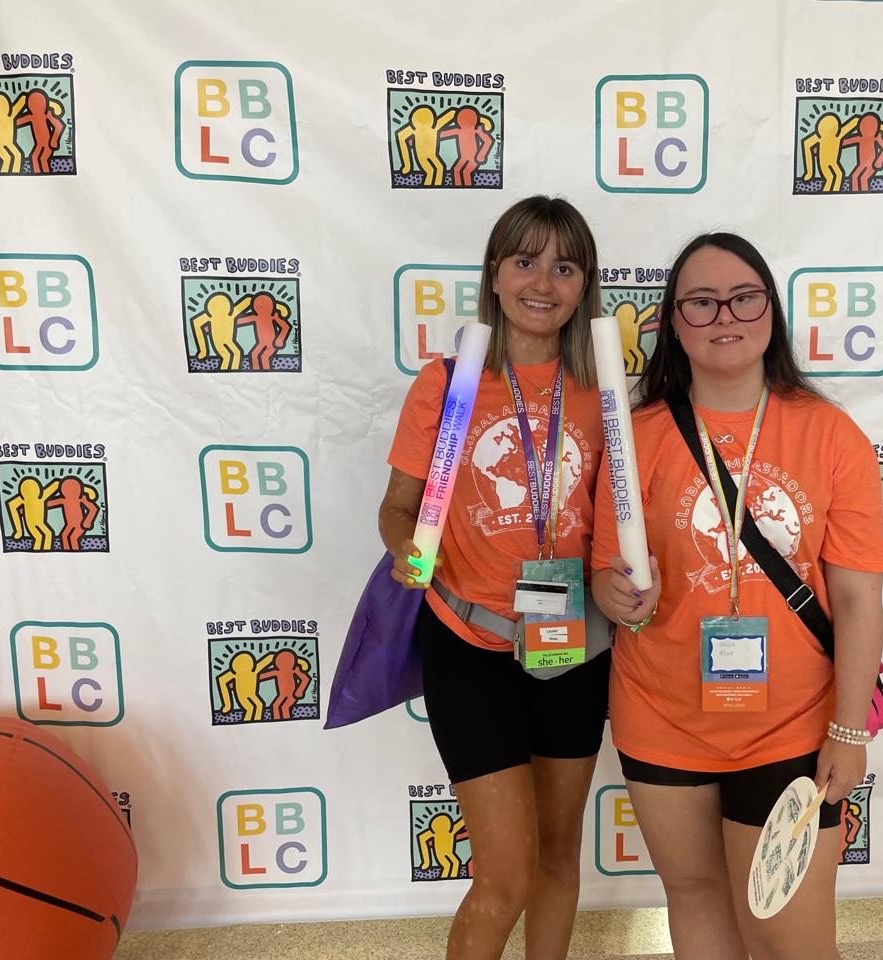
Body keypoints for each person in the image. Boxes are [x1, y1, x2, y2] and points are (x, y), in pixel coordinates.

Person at [592, 233, 883, 960]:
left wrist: (849, 731)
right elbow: (605, 570)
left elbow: (856, 599)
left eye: (744, 296)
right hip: (661, 717)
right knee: (693, 898)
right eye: (701, 300)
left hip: (791, 725)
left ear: (771, 312)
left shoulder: (829, 434)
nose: (725, 314)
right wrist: (613, 592)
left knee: (794, 941)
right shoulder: (636, 437)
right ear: (672, 322)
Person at [379, 195, 607, 960]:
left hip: (571, 646)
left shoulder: (603, 392)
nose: (543, 281)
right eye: (525, 260)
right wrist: (407, 550)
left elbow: (614, 523)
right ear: (495, 274)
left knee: (555, 859)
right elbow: (398, 508)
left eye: (564, 266)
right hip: (469, 643)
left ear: (584, 286)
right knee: (505, 874)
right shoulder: (447, 382)